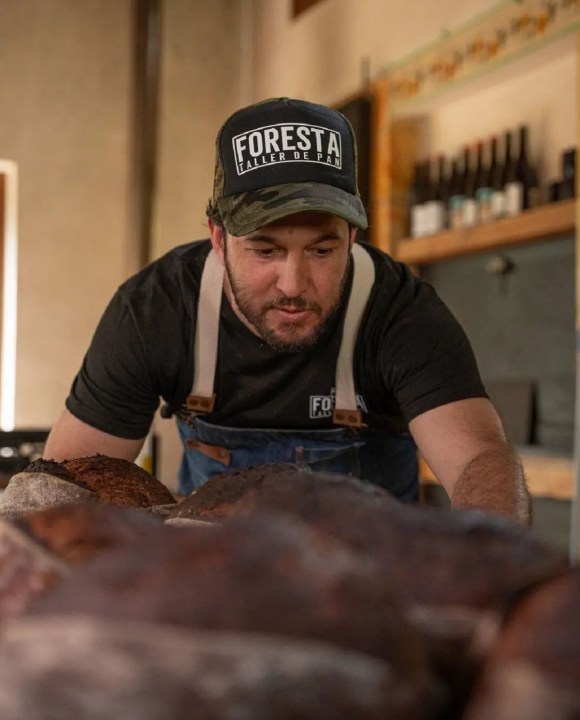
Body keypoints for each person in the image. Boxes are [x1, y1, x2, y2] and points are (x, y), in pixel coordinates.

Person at [44, 97, 531, 523]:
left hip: (371, 585)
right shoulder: (156, 311)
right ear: (218, 238)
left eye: (321, 251)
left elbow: (479, 460)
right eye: (266, 250)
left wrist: (494, 556)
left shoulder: (400, 314)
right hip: (211, 576)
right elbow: (69, 485)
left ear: (352, 237)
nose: (294, 285)